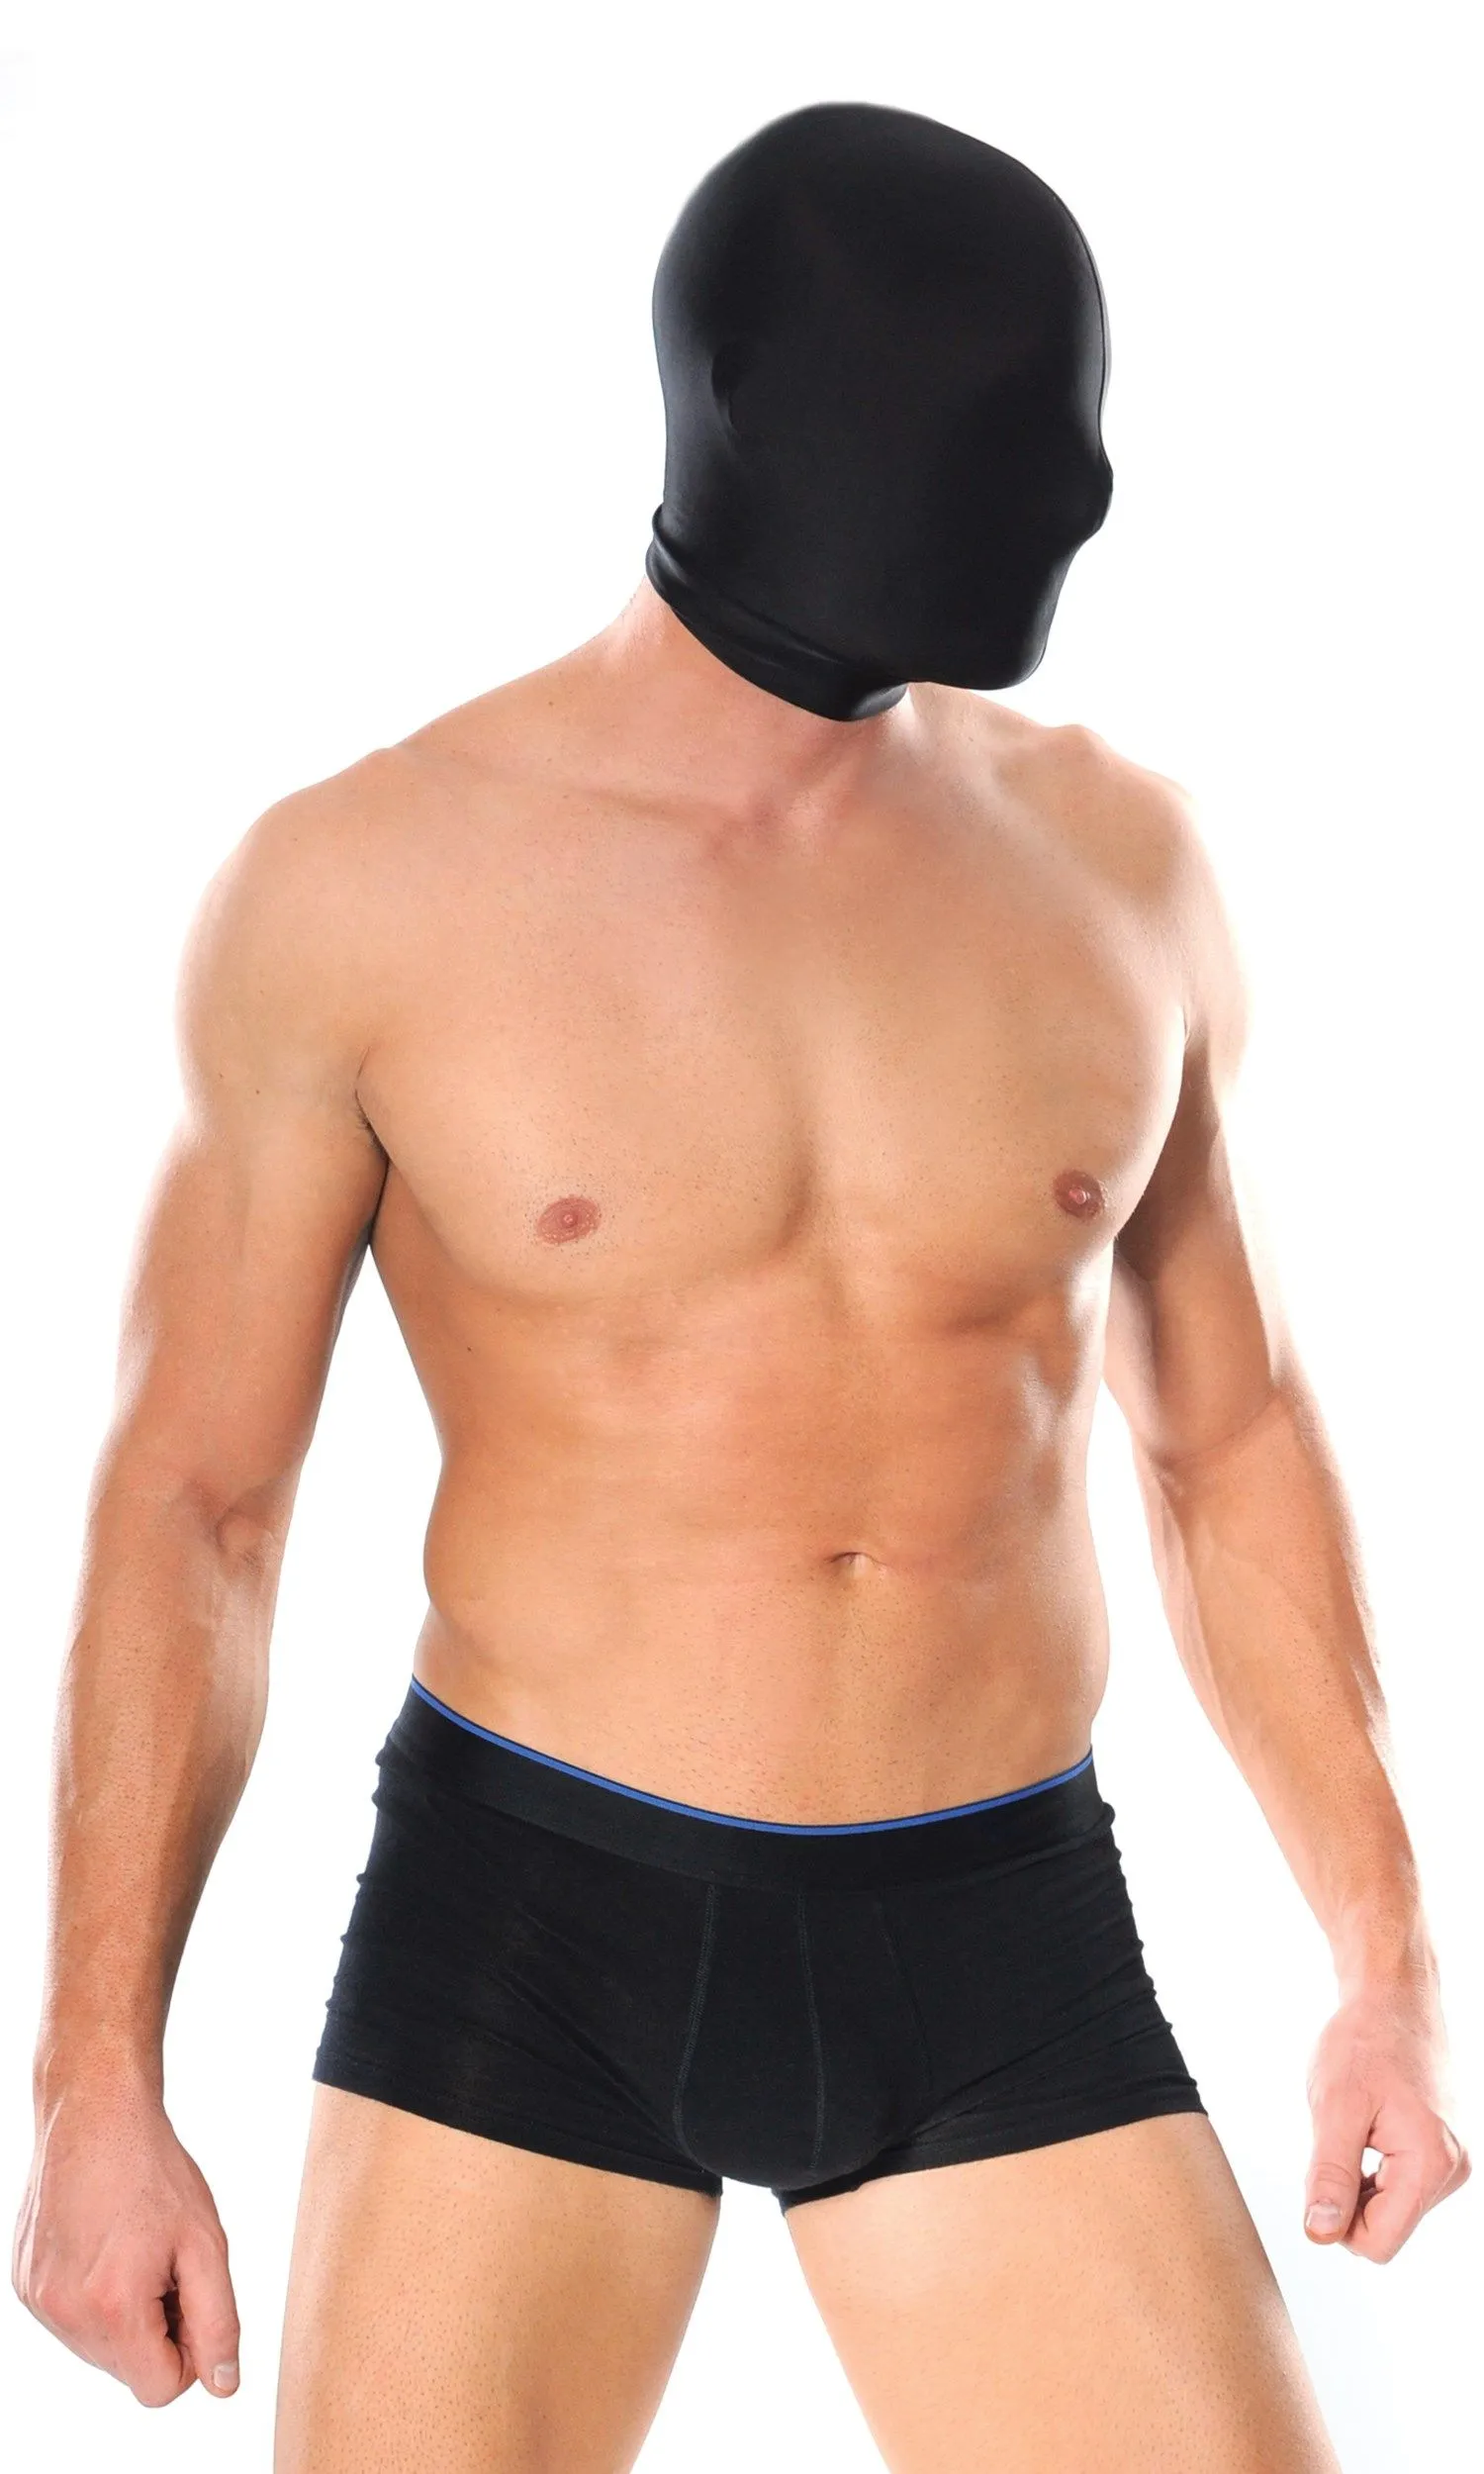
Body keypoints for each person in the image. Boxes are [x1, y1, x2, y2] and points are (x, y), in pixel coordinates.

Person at [12, 100, 1467, 2474]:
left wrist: (1386, 1962)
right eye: (999, 427)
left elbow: (1235, 1435)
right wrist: (95, 2081)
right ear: (747, 411)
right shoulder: (368, 888)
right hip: (535, 1920)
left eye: (1069, 422)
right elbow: (195, 1502)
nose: (1074, 489)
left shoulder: (1121, 868)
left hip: (997, 1924)